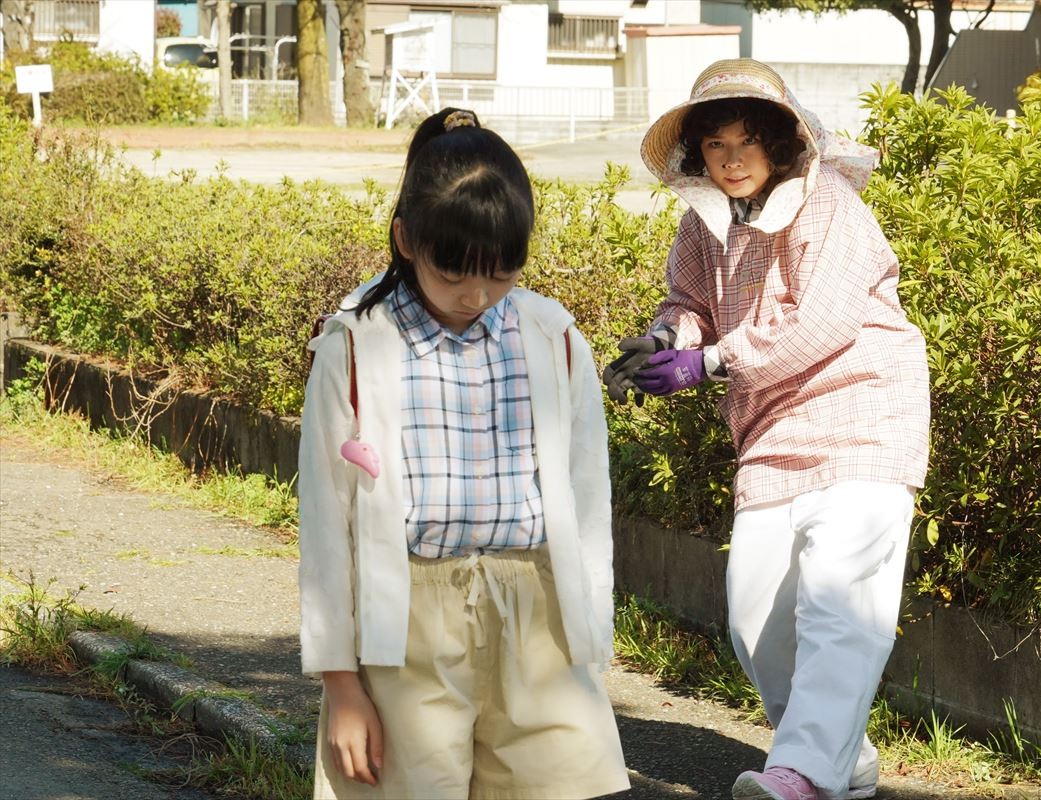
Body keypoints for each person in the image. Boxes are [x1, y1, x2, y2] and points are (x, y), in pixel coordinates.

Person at [604, 60, 930, 800]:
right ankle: (838, 757)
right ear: (697, 152)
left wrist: (708, 363)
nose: (731, 157)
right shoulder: (702, 222)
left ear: (782, 142)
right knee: (756, 621)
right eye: (715, 143)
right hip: (771, 429)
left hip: (866, 416)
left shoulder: (832, 204)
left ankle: (803, 775)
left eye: (748, 140)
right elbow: (687, 300)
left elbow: (817, 325)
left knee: (840, 600)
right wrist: (665, 342)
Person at [299, 107, 629, 800]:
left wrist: (591, 633)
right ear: (405, 240)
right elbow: (326, 522)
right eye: (453, 274)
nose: (476, 297)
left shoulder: (553, 337)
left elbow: (588, 494)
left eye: (502, 275)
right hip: (408, 628)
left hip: (538, 616)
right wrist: (341, 684)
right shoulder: (355, 345)